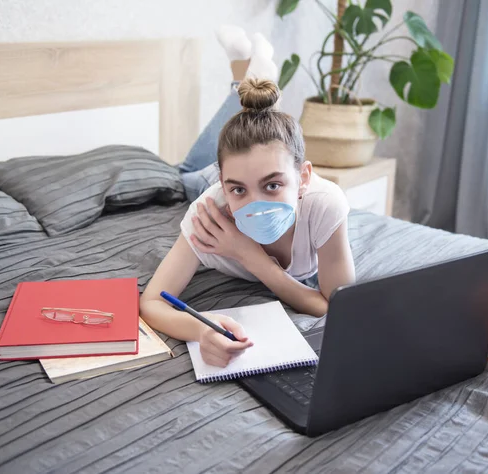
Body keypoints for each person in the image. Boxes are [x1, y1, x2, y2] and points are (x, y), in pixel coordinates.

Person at [141, 27, 355, 368]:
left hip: (232, 171)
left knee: (238, 149)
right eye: (238, 189)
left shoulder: (324, 204)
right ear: (224, 186)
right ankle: (244, 77)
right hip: (204, 179)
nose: (256, 203)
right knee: (185, 176)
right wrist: (199, 331)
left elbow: (337, 306)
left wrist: (249, 255)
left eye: (272, 186)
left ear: (303, 179)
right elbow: (152, 302)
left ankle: (244, 77)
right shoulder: (211, 210)